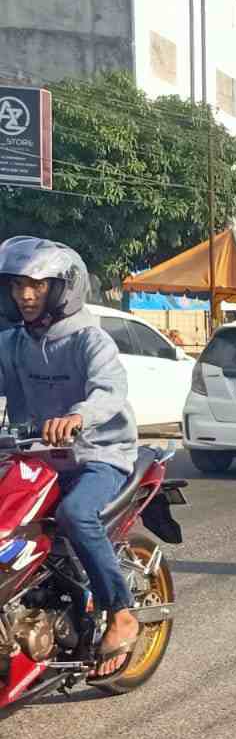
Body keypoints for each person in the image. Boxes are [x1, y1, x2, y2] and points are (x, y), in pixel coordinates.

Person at [0, 236, 141, 674]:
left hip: (98, 455)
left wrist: (78, 417)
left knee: (76, 515)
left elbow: (110, 391)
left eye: (37, 286)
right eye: (18, 284)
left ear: (62, 289)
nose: (25, 295)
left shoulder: (90, 341)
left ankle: (122, 613)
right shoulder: (12, 343)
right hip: (36, 458)